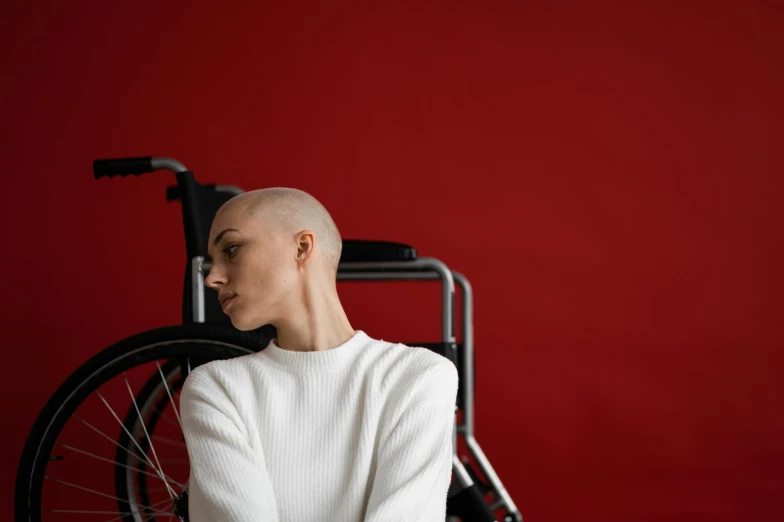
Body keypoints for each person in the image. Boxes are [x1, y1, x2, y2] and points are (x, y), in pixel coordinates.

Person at [179, 187, 459, 522]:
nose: (211, 278)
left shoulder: (420, 377)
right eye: (212, 262)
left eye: (232, 249)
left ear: (302, 247)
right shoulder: (215, 388)